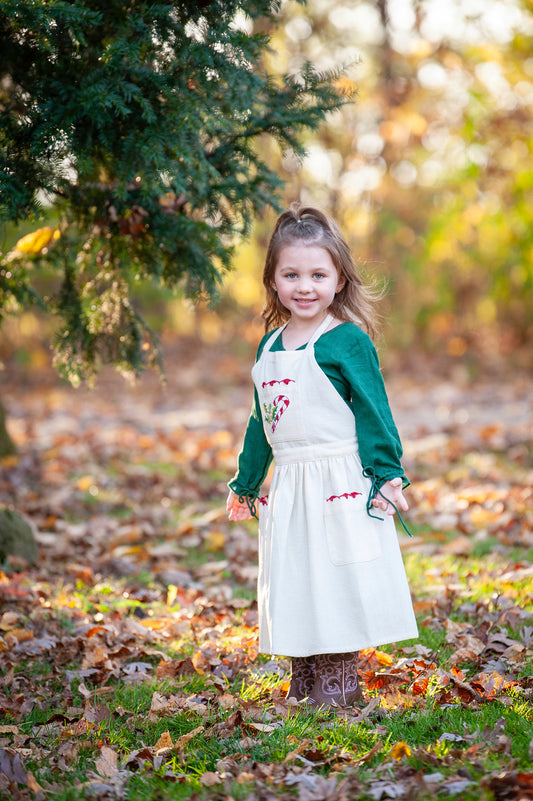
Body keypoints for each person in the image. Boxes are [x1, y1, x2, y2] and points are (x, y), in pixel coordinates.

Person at [226, 206, 418, 709]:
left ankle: (338, 681)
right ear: (272, 280)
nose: (304, 286)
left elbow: (374, 409)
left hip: (339, 477)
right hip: (290, 483)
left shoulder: (345, 340)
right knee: (295, 575)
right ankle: (304, 675)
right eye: (291, 274)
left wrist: (387, 472)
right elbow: (260, 423)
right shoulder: (268, 347)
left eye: (317, 274)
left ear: (338, 280)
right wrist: (245, 482)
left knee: (336, 576)